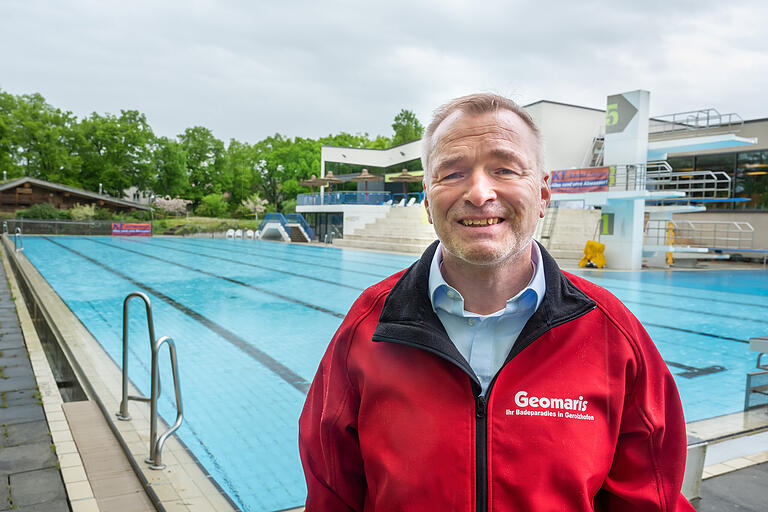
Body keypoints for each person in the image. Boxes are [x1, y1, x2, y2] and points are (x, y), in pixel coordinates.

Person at [299, 93, 694, 511]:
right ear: (428, 202)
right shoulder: (367, 328)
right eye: (452, 173)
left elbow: (651, 499)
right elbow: (331, 497)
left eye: (504, 168)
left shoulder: (612, 334)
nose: (479, 192)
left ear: (542, 195)